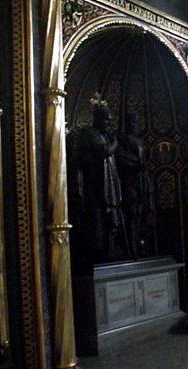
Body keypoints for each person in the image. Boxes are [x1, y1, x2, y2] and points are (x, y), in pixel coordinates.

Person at [67, 103, 126, 265]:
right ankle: (94, 251)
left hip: (104, 186)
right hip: (91, 186)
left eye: (110, 121)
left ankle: (108, 249)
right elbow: (104, 152)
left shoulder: (102, 135)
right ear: (97, 119)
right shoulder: (88, 133)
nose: (109, 125)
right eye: (106, 121)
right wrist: (115, 141)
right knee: (95, 220)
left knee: (107, 219)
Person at [116, 112, 154, 259]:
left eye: (136, 122)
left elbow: (145, 160)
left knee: (141, 215)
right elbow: (120, 160)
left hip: (141, 182)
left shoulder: (140, 142)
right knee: (131, 214)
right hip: (128, 181)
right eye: (131, 121)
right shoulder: (121, 140)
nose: (134, 125)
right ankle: (130, 249)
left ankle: (139, 247)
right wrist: (136, 166)